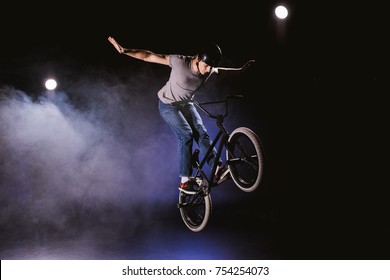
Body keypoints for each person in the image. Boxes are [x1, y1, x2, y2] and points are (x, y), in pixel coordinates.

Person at [108, 36, 255, 194]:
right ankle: (185, 181)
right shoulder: (180, 62)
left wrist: (240, 70)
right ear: (197, 59)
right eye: (205, 66)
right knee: (186, 135)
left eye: (210, 67)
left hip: (186, 104)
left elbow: (221, 72)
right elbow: (149, 56)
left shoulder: (209, 68)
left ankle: (217, 168)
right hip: (168, 105)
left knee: (202, 133)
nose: (207, 71)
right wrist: (125, 51)